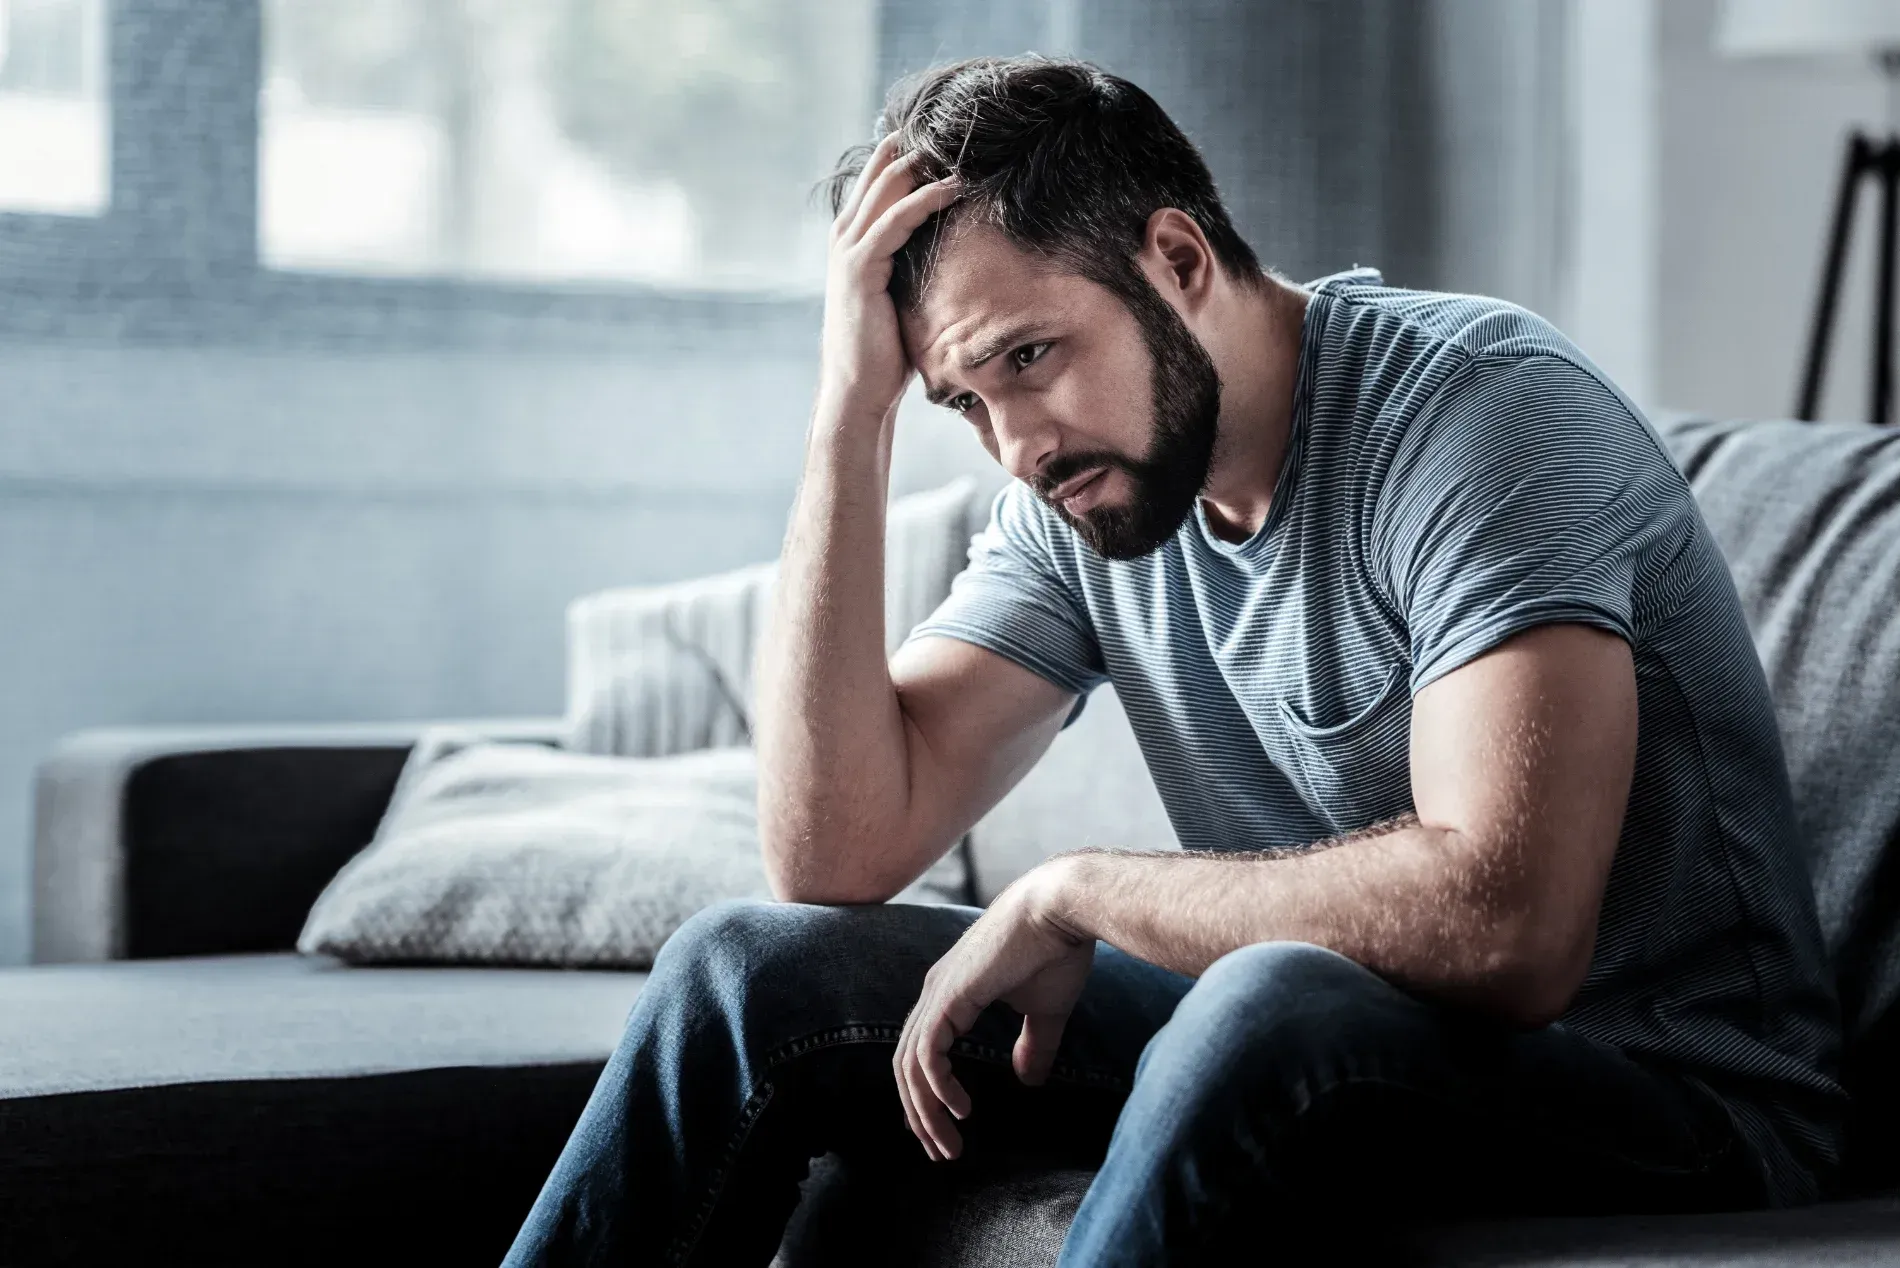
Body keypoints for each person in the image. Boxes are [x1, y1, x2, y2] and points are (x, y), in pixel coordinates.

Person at [505, 56, 1844, 1266]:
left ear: (1180, 259)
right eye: (966, 402)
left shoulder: (1483, 416)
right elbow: (836, 849)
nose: (1015, 444)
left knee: (1267, 996)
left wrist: (1082, 891)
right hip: (1306, 1040)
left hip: (1679, 1094)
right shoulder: (1075, 492)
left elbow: (1510, 929)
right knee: (748, 969)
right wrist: (844, 417)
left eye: (1032, 357)